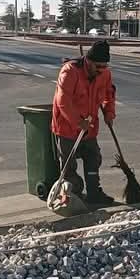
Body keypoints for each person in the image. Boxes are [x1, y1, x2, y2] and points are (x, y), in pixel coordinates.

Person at [51, 40, 116, 204]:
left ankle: (94, 192)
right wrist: (78, 122)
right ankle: (75, 195)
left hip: (90, 128)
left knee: (94, 158)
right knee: (68, 164)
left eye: (104, 66)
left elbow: (109, 94)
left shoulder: (105, 73)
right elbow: (63, 101)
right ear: (89, 61)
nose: (101, 70)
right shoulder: (70, 71)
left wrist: (109, 113)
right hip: (67, 127)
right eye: (98, 67)